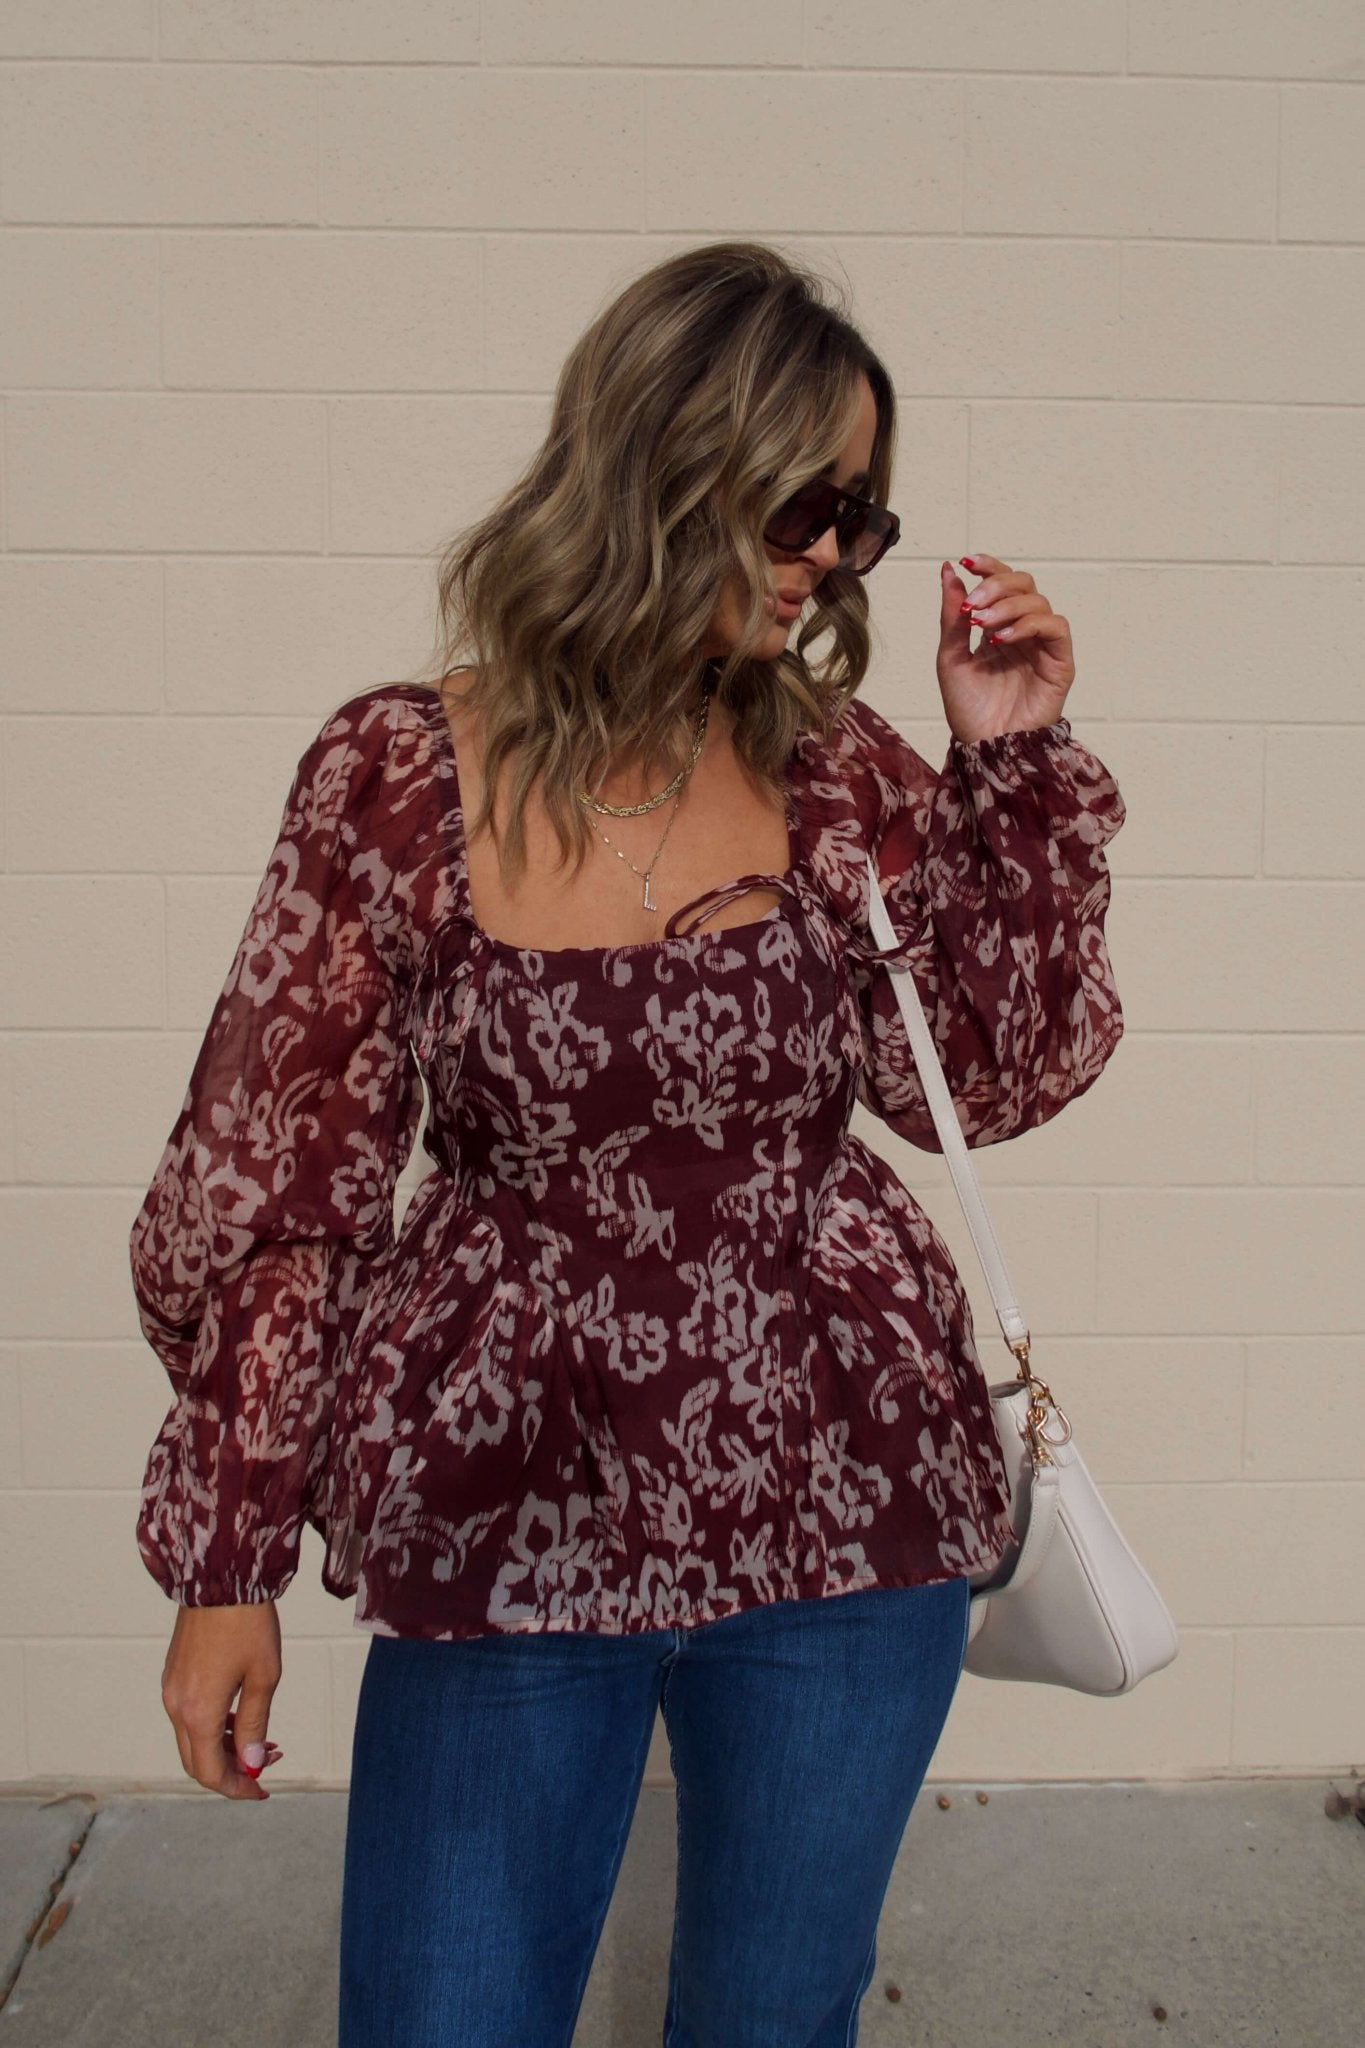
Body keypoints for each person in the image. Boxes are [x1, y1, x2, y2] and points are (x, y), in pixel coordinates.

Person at [130, 241, 1126, 2047]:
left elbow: (985, 1074)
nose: (834, 550)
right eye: (804, 498)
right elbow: (281, 1190)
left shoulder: (837, 772)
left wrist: (1010, 771)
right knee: (442, 2018)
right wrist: (228, 1564)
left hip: (848, 1502)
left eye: (862, 517)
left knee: (771, 2020)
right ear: (661, 465)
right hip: (509, 1514)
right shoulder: (399, 773)